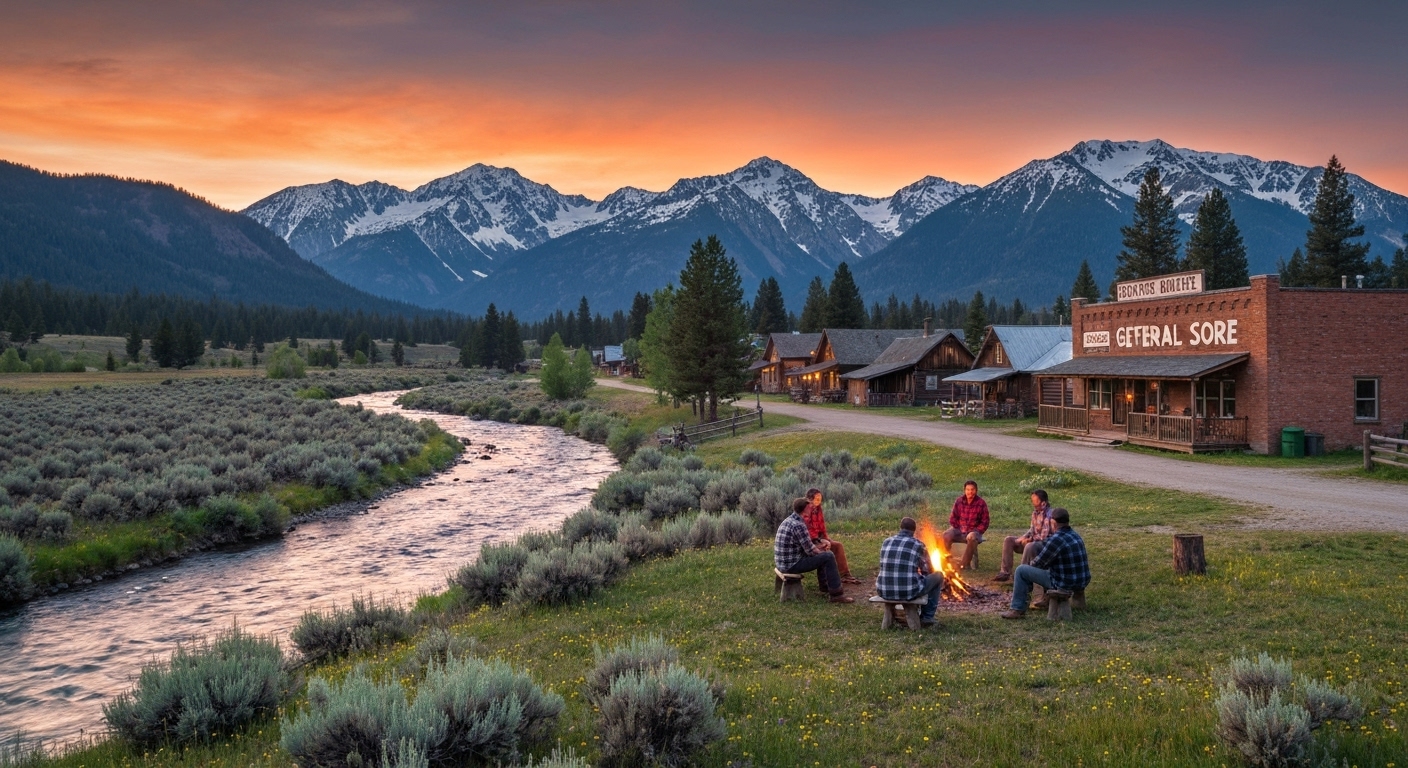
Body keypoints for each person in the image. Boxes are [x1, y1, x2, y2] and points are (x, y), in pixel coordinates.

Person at [1000, 507, 1090, 619]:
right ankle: (1037, 598)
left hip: (1064, 583)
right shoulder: (1075, 535)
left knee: (1021, 571)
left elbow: (1039, 563)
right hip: (1082, 580)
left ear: (1053, 522)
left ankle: (1017, 609)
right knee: (1047, 567)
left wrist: (1029, 569)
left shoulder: (1056, 539)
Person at [775, 498, 854, 604]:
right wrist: (823, 549)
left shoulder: (789, 520)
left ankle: (826, 586)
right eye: (809, 508)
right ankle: (836, 595)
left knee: (822, 555)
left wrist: (819, 547)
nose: (811, 510)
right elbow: (810, 551)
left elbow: (805, 546)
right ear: (804, 509)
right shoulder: (799, 525)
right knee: (828, 556)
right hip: (791, 565)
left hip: (783, 563)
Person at [877, 516, 945, 627]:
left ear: (900, 527)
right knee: (938, 576)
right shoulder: (918, 545)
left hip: (883, 590)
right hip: (909, 591)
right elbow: (928, 571)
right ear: (914, 530)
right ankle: (927, 617)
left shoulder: (886, 542)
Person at [800, 488, 862, 585]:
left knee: (838, 546)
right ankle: (826, 582)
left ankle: (845, 575)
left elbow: (822, 525)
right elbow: (808, 530)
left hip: (819, 538)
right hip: (810, 542)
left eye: (820, 498)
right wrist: (821, 541)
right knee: (825, 550)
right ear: (810, 499)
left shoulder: (818, 509)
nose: (819, 501)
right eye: (817, 499)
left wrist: (826, 538)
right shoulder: (805, 511)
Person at [993, 489, 1057, 582]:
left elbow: (1044, 537)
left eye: (1035, 501)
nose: (1033, 503)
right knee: (1009, 540)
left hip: (1042, 547)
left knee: (1029, 545)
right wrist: (1023, 537)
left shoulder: (1049, 515)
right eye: (1033, 500)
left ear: (1043, 503)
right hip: (1032, 542)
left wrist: (1030, 540)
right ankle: (1004, 573)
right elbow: (1032, 529)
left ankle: (1020, 576)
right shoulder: (1035, 513)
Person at [941, 479, 989, 570]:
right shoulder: (959, 501)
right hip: (960, 529)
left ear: (976, 490)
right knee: (946, 535)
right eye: (968, 489)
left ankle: (964, 564)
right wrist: (958, 527)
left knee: (971, 537)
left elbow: (985, 522)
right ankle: (946, 560)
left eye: (972, 489)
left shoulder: (981, 503)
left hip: (974, 531)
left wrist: (976, 531)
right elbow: (953, 518)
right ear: (964, 490)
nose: (970, 492)